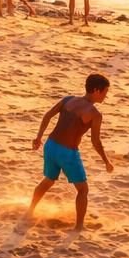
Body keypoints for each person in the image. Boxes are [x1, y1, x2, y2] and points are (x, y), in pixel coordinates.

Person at [26, 73, 113, 231]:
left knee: (48, 180)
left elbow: (48, 115)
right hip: (67, 153)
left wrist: (38, 137)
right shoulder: (95, 114)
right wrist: (106, 160)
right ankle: (79, 226)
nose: (106, 96)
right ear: (96, 90)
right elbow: (96, 142)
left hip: (50, 146)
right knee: (83, 189)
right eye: (105, 92)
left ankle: (30, 211)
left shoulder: (68, 100)